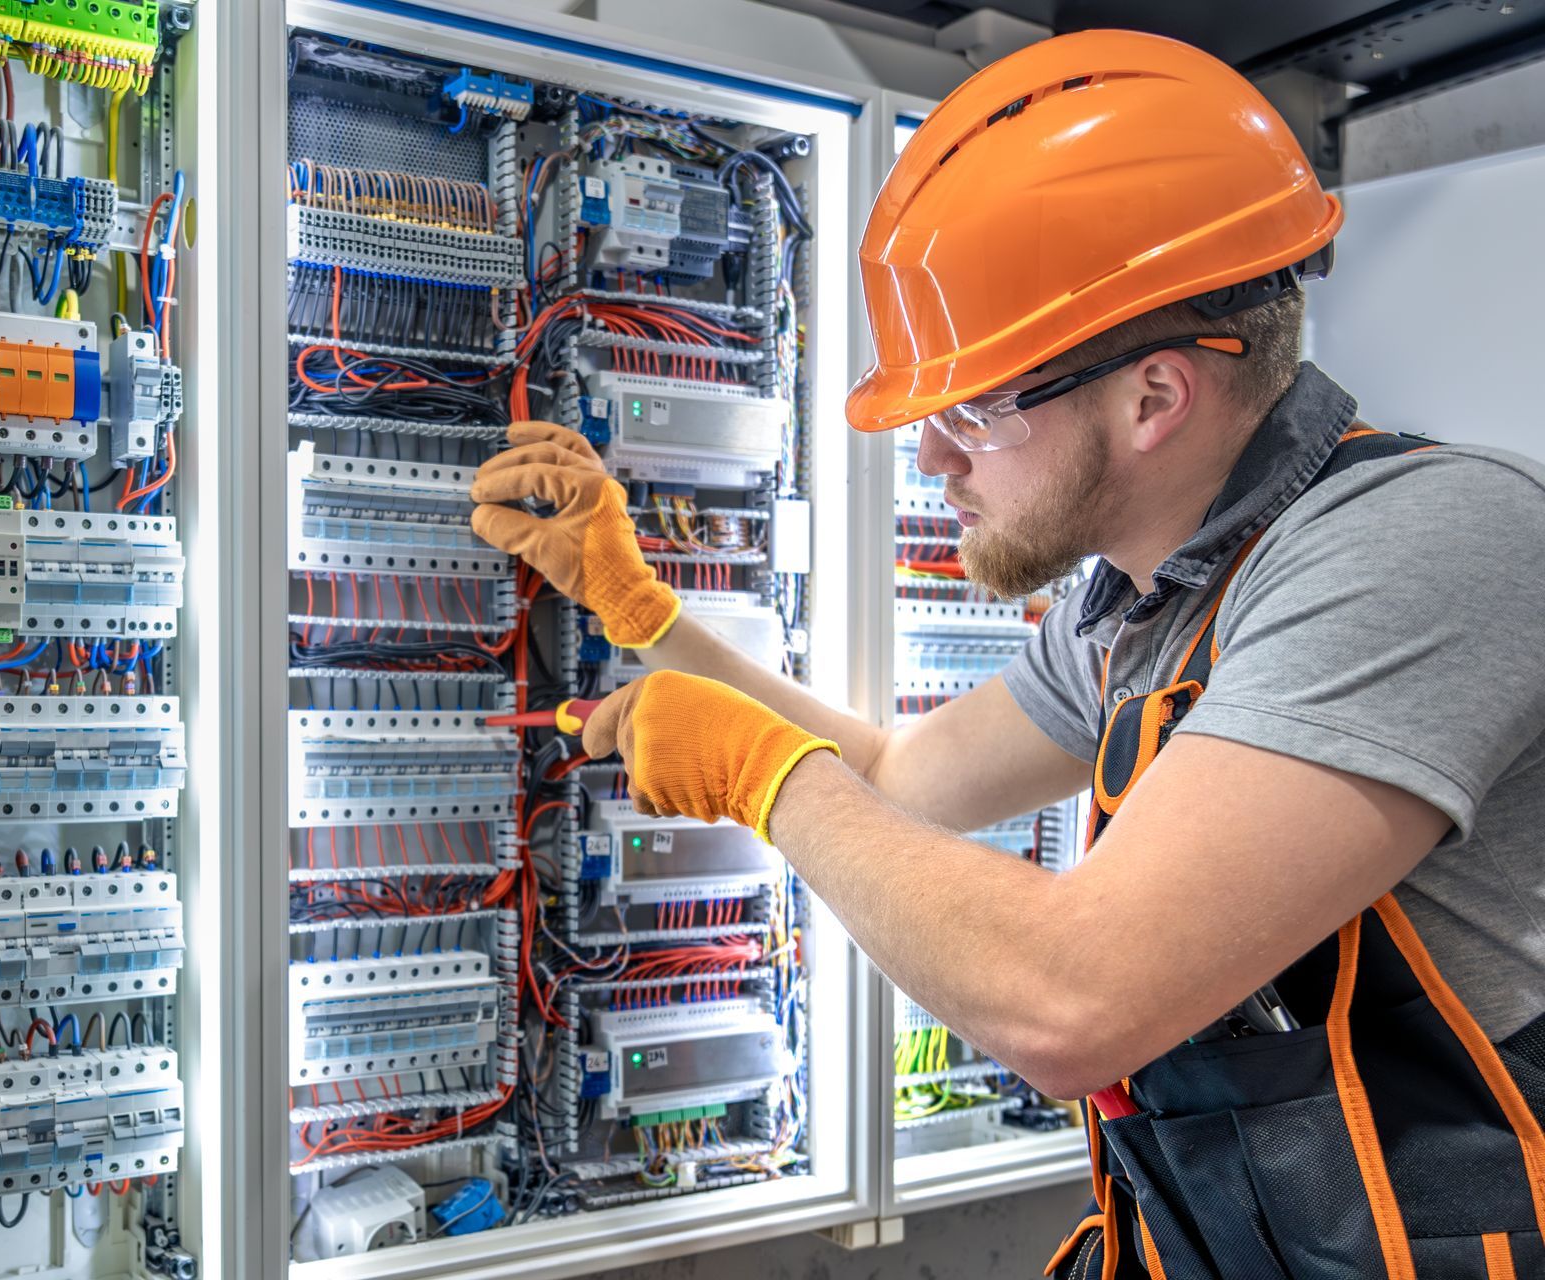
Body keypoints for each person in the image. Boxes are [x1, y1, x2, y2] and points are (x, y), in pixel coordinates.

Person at [468, 28, 1545, 1280]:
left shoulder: (1427, 545)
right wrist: (647, 613)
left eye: (975, 408)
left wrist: (769, 779)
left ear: (1155, 396)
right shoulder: (1139, 606)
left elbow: (1075, 1001)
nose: (935, 459)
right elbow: (898, 774)